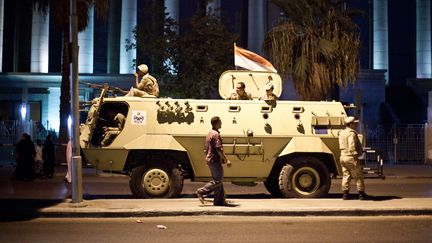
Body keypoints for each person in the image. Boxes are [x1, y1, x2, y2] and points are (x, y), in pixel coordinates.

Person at [196, 116, 232, 206]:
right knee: (218, 181)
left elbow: (206, 148)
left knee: (218, 180)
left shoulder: (209, 133)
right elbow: (218, 149)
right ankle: (201, 191)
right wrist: (226, 159)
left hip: (210, 159)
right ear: (216, 123)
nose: (221, 123)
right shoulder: (216, 134)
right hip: (214, 160)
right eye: (220, 122)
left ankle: (219, 201)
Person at [338, 116, 369, 200]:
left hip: (343, 156)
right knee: (358, 176)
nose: (356, 125)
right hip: (350, 157)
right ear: (351, 124)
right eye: (355, 123)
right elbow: (351, 145)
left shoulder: (342, 132)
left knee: (346, 175)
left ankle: (345, 195)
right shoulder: (351, 133)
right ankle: (361, 194)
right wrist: (355, 154)